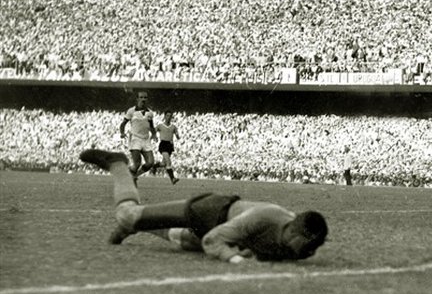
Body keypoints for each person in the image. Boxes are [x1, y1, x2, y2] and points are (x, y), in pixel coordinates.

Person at [79, 148, 328, 263]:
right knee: (127, 215)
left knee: (184, 241)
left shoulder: (299, 242)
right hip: (208, 211)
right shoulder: (264, 217)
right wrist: (234, 259)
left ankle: (137, 226)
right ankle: (118, 164)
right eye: (307, 244)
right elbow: (212, 241)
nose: (310, 252)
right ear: (294, 230)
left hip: (225, 225)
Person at [119, 91, 157, 184]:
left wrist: (154, 134)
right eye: (141, 97)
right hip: (135, 138)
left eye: (145, 97)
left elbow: (151, 126)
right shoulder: (131, 111)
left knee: (150, 163)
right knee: (137, 164)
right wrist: (122, 133)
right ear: (137, 99)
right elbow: (123, 124)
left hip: (146, 139)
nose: (143, 99)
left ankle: (134, 176)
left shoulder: (150, 113)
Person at [153, 110, 180, 185]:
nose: (169, 117)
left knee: (163, 164)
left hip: (170, 145)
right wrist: (154, 136)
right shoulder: (160, 126)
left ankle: (154, 166)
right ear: (164, 116)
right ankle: (173, 178)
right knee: (168, 162)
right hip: (163, 144)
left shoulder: (173, 127)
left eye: (170, 116)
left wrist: (177, 135)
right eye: (167, 116)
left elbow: (178, 136)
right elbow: (153, 131)